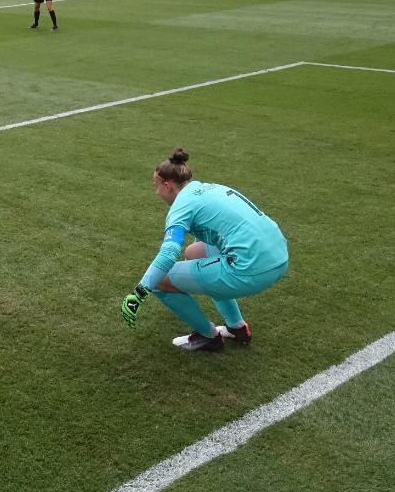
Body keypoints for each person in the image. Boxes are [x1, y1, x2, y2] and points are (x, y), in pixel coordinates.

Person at [120, 148, 289, 352]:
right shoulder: (209, 188)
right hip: (279, 256)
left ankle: (209, 336)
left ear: (167, 185)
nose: (157, 193)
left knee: (160, 280)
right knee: (193, 253)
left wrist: (139, 292)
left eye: (156, 187)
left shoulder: (181, 206)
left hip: (249, 269)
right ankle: (237, 327)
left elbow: (169, 253)